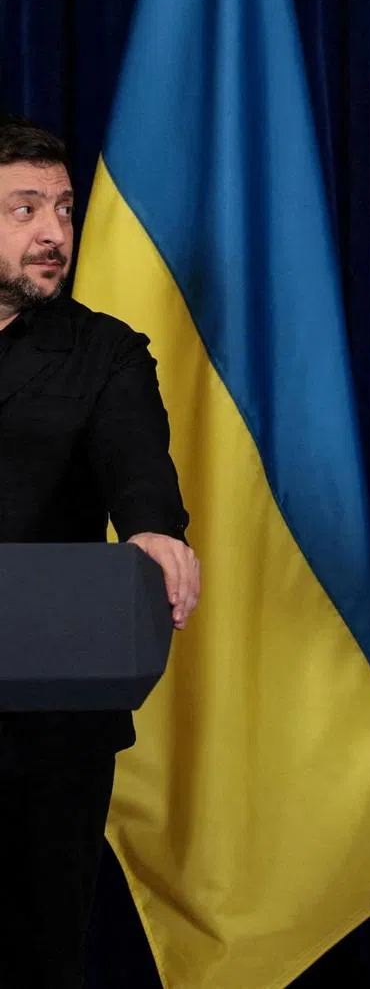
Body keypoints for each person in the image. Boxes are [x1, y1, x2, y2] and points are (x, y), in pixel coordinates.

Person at [0, 114, 200, 987]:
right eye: (24, 209)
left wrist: (156, 529)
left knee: (38, 952)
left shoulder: (106, 352)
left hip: (46, 725)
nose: (54, 233)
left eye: (65, 209)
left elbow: (136, 462)